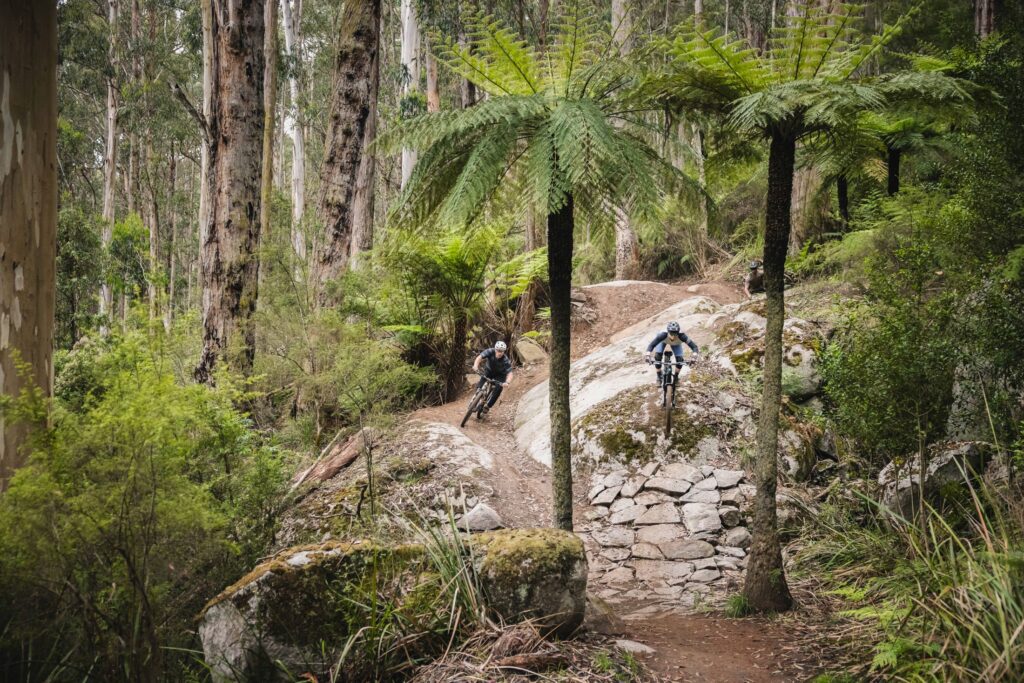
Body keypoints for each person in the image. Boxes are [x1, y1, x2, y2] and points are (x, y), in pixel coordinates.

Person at [644, 322, 699, 394]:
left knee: (680, 360)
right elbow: (652, 345)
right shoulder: (662, 334)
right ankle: (659, 376)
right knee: (658, 356)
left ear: (678, 332)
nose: (673, 336)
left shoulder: (682, 336)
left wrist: (694, 357)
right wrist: (648, 355)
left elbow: (694, 347)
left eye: (675, 333)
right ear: (668, 331)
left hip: (676, 344)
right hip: (663, 341)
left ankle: (676, 377)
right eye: (671, 333)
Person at [472, 340, 514, 414]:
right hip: (489, 371)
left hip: (500, 375)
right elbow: (480, 357)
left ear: (504, 351)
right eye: (498, 350)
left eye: (502, 351)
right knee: (483, 378)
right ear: (495, 349)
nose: (500, 353)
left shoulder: (505, 360)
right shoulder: (490, 351)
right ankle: (478, 393)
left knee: (498, 388)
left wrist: (507, 382)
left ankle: (488, 406)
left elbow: (510, 373)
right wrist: (475, 366)